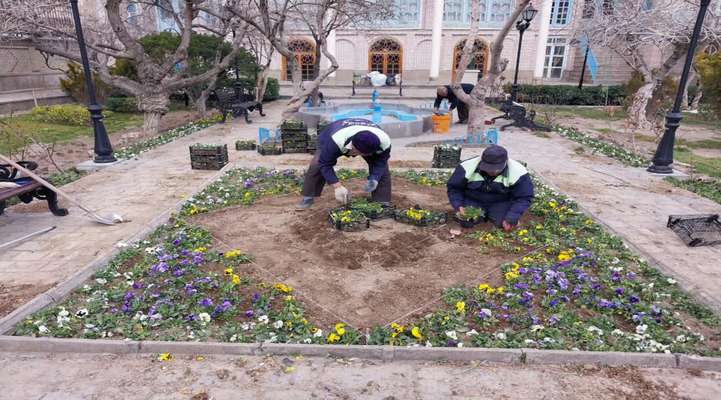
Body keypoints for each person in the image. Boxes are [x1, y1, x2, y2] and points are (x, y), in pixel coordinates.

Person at [296, 118, 392, 210]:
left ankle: (382, 200)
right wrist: (337, 186)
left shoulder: (385, 142)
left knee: (382, 170)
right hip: (334, 132)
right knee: (316, 164)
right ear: (352, 147)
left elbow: (381, 162)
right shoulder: (336, 140)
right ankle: (308, 197)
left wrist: (374, 178)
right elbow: (325, 164)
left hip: (367, 139)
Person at [447, 145, 534, 231]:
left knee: (504, 223)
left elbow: (524, 197)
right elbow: (454, 188)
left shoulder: (518, 172)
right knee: (466, 221)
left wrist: (512, 216)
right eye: (487, 168)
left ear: (505, 162)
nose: (491, 172)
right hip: (473, 200)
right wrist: (458, 205)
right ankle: (481, 216)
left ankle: (499, 216)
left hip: (501, 202)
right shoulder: (466, 167)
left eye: (495, 169)